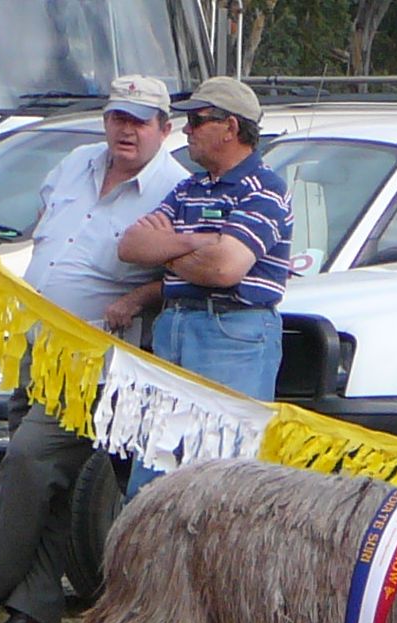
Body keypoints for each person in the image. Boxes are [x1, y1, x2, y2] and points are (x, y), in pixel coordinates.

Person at [0, 75, 188, 623]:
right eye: (118, 118)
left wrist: (137, 298)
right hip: (38, 343)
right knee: (44, 485)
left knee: (30, 461)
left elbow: (182, 274)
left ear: (164, 129)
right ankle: (33, 620)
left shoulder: (175, 189)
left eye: (140, 121)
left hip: (96, 358)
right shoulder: (76, 163)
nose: (126, 131)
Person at [117, 76, 293, 497]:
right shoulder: (188, 188)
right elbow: (131, 246)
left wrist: (167, 247)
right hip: (175, 328)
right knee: (153, 477)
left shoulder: (265, 188)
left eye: (197, 121)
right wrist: (196, 242)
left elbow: (224, 268)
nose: (187, 131)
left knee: (220, 481)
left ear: (230, 127)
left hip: (231, 334)